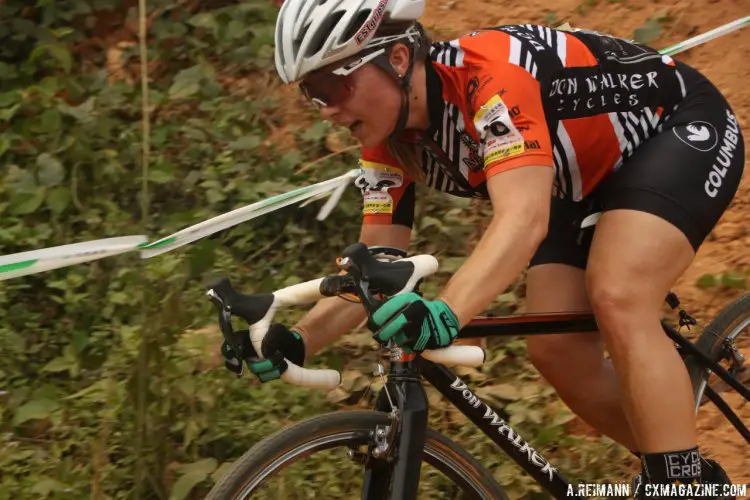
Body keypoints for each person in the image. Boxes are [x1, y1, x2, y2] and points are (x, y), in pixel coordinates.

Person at [225, 0, 745, 497]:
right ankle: (688, 473)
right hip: (575, 174)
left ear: (398, 57)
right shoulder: (387, 140)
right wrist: (300, 342)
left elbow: (523, 218)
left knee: (619, 293)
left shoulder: (488, 79)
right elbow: (377, 261)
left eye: (332, 85)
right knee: (556, 350)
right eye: (310, 94)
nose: (326, 109)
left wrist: (447, 311)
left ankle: (679, 487)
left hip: (673, 127)